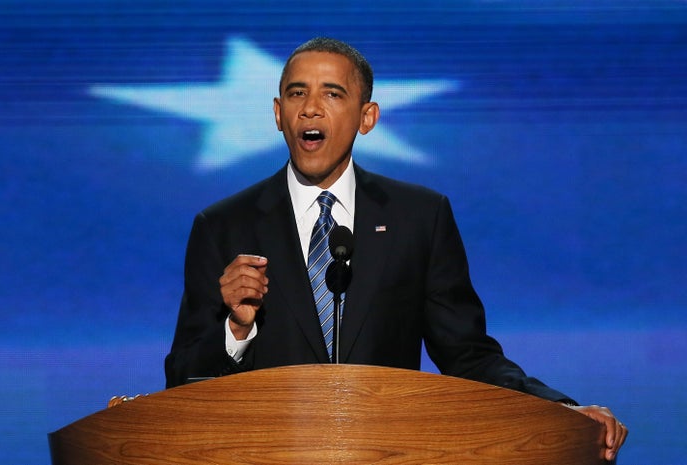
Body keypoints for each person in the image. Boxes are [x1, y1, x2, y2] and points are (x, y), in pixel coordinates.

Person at [165, 37, 627, 461]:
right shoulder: (223, 225)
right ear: (277, 113)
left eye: (332, 93)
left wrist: (560, 409)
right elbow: (182, 379)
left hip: (389, 452)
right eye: (296, 93)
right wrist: (236, 330)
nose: (310, 109)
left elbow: (468, 354)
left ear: (367, 117)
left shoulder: (419, 217)